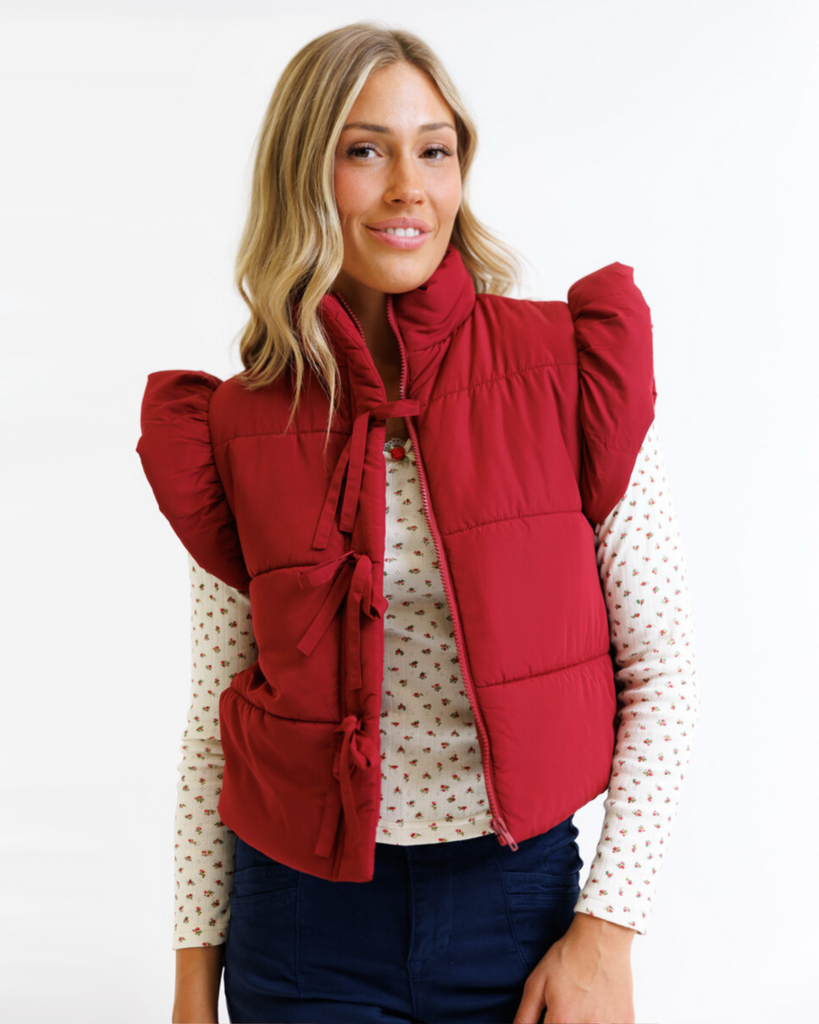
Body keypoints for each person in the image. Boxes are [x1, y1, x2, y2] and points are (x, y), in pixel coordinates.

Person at [136, 21, 700, 1024]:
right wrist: (190, 991)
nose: (409, 187)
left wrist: (606, 935)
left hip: (519, 912)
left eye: (434, 149)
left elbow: (663, 667)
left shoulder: (570, 370)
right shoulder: (239, 424)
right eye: (366, 150)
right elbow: (214, 721)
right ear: (305, 176)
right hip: (300, 929)